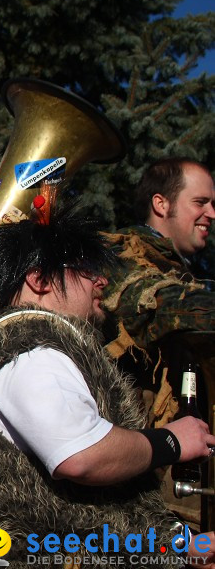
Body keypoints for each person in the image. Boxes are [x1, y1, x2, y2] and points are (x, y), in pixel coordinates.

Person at [0, 205, 215, 568]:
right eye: (87, 269)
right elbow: (82, 456)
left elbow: (87, 512)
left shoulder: (30, 345)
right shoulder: (31, 350)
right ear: (39, 279)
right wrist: (171, 442)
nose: (102, 281)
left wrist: (182, 546)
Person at [101, 158, 215, 527]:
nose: (211, 213)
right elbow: (157, 307)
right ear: (161, 203)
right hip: (130, 486)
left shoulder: (184, 272)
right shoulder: (121, 253)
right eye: (200, 203)